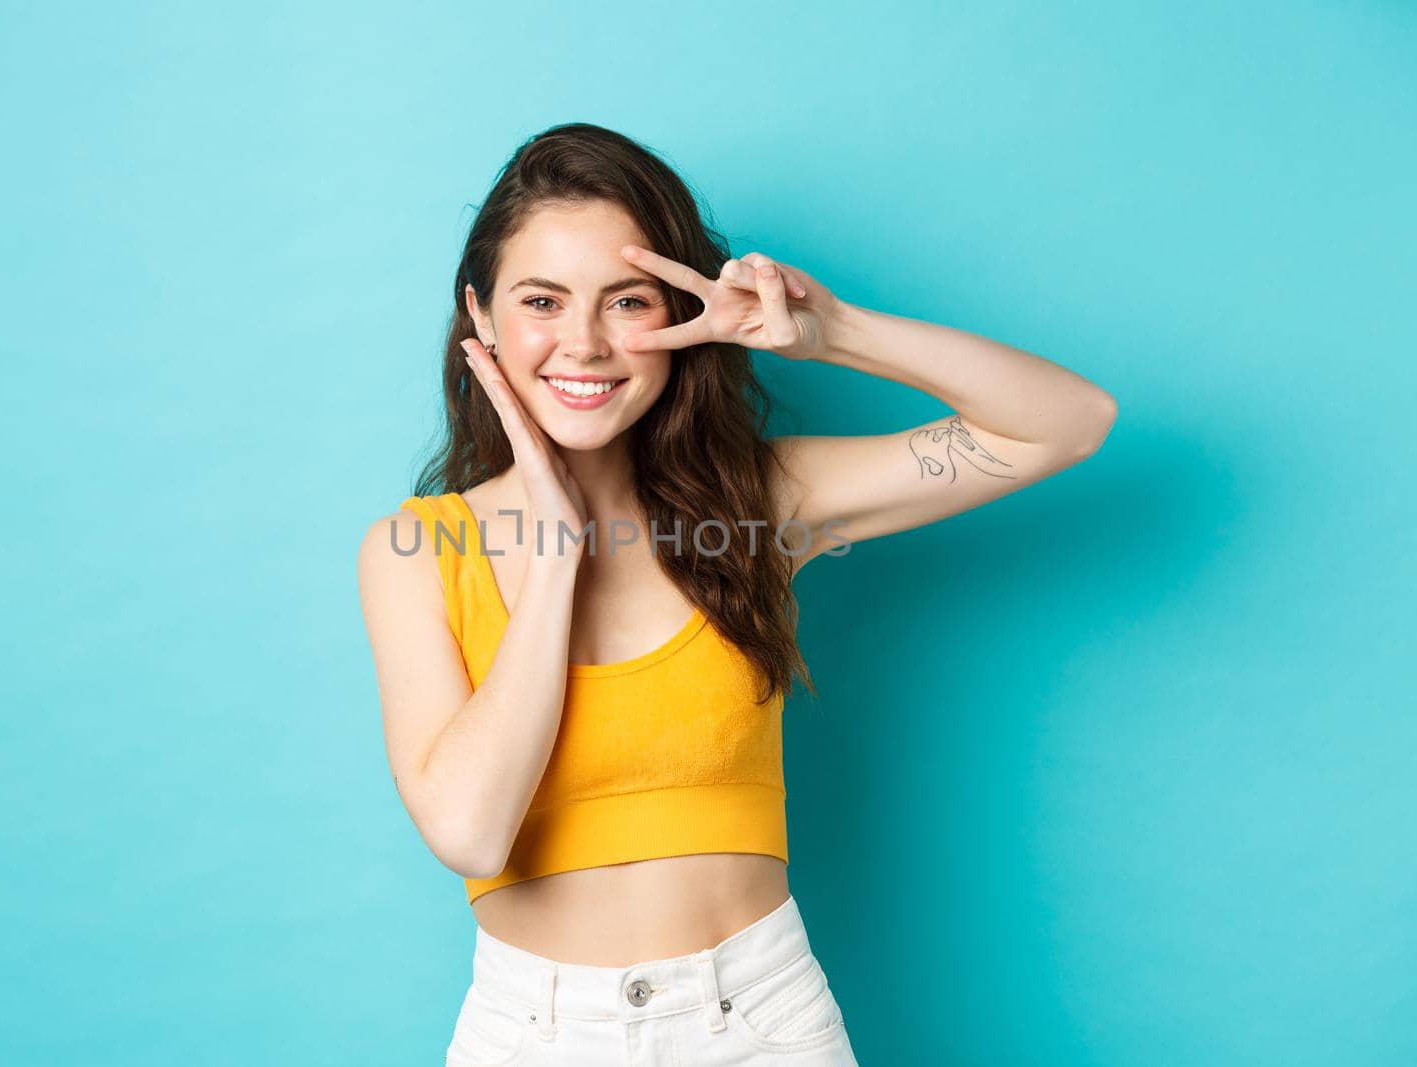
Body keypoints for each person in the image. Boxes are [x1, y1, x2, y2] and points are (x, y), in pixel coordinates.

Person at [358, 122, 1117, 1065]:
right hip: (536, 1030)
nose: (584, 343)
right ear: (481, 317)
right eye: (542, 300)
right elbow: (471, 832)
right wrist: (555, 559)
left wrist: (834, 332)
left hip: (760, 1021)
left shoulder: (760, 506)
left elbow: (1068, 423)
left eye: (627, 301)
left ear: (684, 315)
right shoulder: (417, 550)